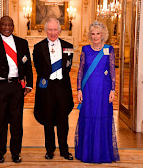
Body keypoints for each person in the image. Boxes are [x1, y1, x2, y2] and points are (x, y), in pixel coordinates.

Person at [0, 16, 33, 163]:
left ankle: (16, 153)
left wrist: (29, 84)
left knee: (17, 122)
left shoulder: (22, 43)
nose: (7, 27)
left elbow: (27, 64)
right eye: (4, 25)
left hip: (17, 87)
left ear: (14, 26)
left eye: (10, 25)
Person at [75, 20, 120, 163]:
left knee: (102, 116)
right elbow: (80, 70)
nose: (95, 37)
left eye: (98, 34)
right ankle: (87, 152)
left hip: (104, 90)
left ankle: (102, 153)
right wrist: (78, 89)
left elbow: (112, 71)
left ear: (103, 35)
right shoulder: (85, 50)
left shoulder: (109, 49)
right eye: (93, 34)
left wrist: (113, 89)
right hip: (88, 89)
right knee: (88, 116)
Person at [33, 18, 74, 160]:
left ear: (60, 30)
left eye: (55, 29)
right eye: (50, 30)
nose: (53, 32)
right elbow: (38, 68)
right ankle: (49, 150)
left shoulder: (68, 46)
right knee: (48, 119)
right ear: (46, 30)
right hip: (47, 88)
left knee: (63, 120)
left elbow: (68, 66)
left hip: (62, 87)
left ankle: (64, 150)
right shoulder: (38, 48)